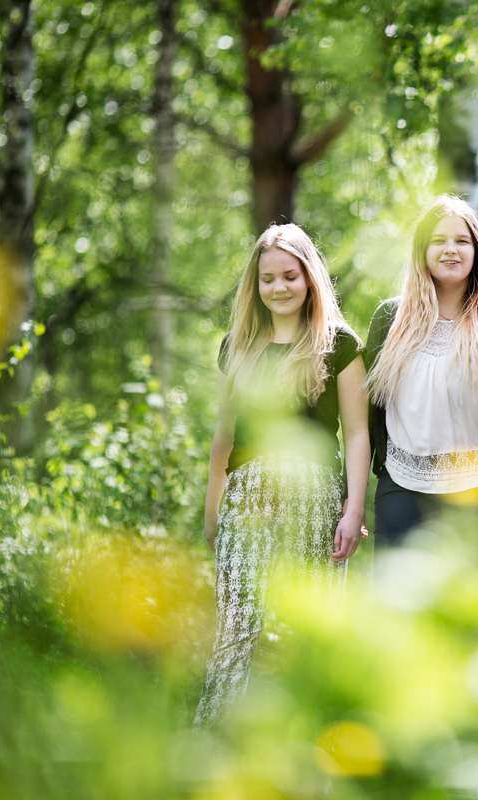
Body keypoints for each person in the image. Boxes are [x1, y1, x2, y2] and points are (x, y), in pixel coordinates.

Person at [195, 224, 369, 728]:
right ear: (256, 285)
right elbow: (223, 441)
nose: (279, 288)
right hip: (247, 499)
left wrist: (353, 508)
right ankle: (216, 746)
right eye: (268, 279)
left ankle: (307, 746)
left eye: (290, 276)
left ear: (309, 278)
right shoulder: (239, 347)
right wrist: (213, 513)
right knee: (236, 627)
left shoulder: (339, 344)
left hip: (315, 496)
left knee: (307, 625)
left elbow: (358, 435)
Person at [365, 195, 478, 559]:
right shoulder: (390, 320)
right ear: (422, 250)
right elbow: (366, 415)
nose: (450, 250)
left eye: (461, 241)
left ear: (477, 251)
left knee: (471, 613)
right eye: (438, 241)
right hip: (402, 488)